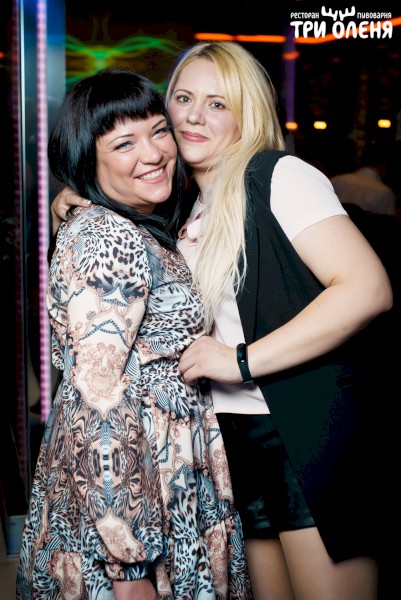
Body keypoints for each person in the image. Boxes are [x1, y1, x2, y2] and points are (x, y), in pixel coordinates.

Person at [51, 43, 393, 600]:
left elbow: (367, 288)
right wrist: (78, 193)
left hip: (301, 434)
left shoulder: (279, 176)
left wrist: (240, 360)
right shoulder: (179, 203)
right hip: (227, 449)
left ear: (246, 113)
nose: (193, 116)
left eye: (217, 103)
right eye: (183, 99)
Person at [17, 66, 251, 600]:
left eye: (158, 131)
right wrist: (128, 566)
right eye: (124, 143)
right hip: (137, 509)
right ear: (88, 160)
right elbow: (98, 406)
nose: (154, 153)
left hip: (164, 490)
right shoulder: (107, 236)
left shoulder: (133, 222)